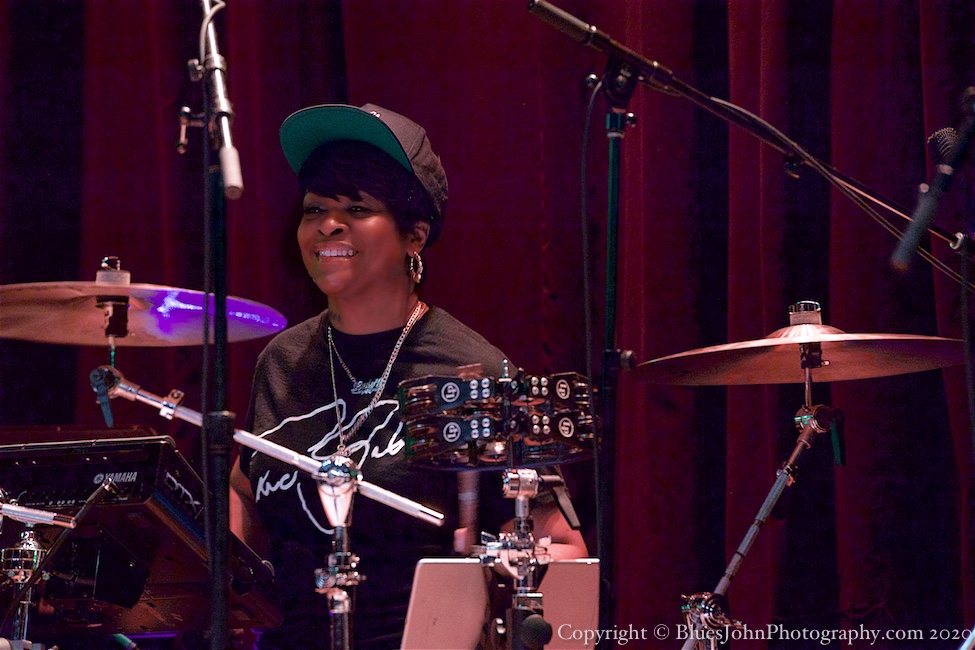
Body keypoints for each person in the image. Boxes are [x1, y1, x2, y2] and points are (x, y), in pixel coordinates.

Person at [229, 103, 587, 649]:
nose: (328, 224)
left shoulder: (472, 370)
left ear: (414, 236)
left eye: (357, 206)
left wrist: (486, 568)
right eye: (314, 208)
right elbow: (248, 495)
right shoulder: (282, 360)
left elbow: (564, 548)